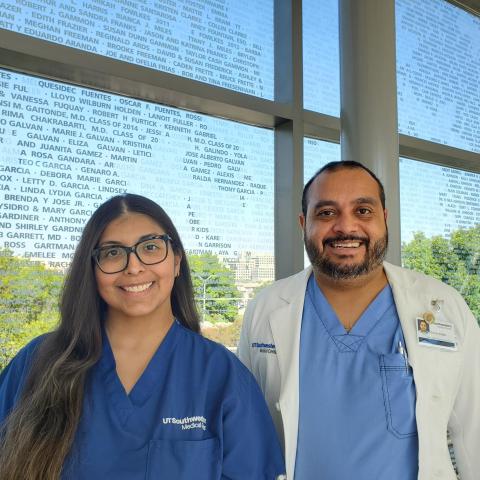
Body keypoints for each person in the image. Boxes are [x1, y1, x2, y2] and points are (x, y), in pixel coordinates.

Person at [0, 194, 285, 480]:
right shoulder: (37, 362)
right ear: (93, 270)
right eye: (112, 252)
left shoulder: (222, 375)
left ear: (176, 261)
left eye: (150, 247)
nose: (133, 267)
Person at [238, 161, 480, 480]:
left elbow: (473, 430)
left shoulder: (444, 305)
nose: (346, 227)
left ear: (385, 219)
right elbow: (245, 427)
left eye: (363, 211)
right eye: (326, 213)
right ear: (303, 223)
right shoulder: (266, 308)